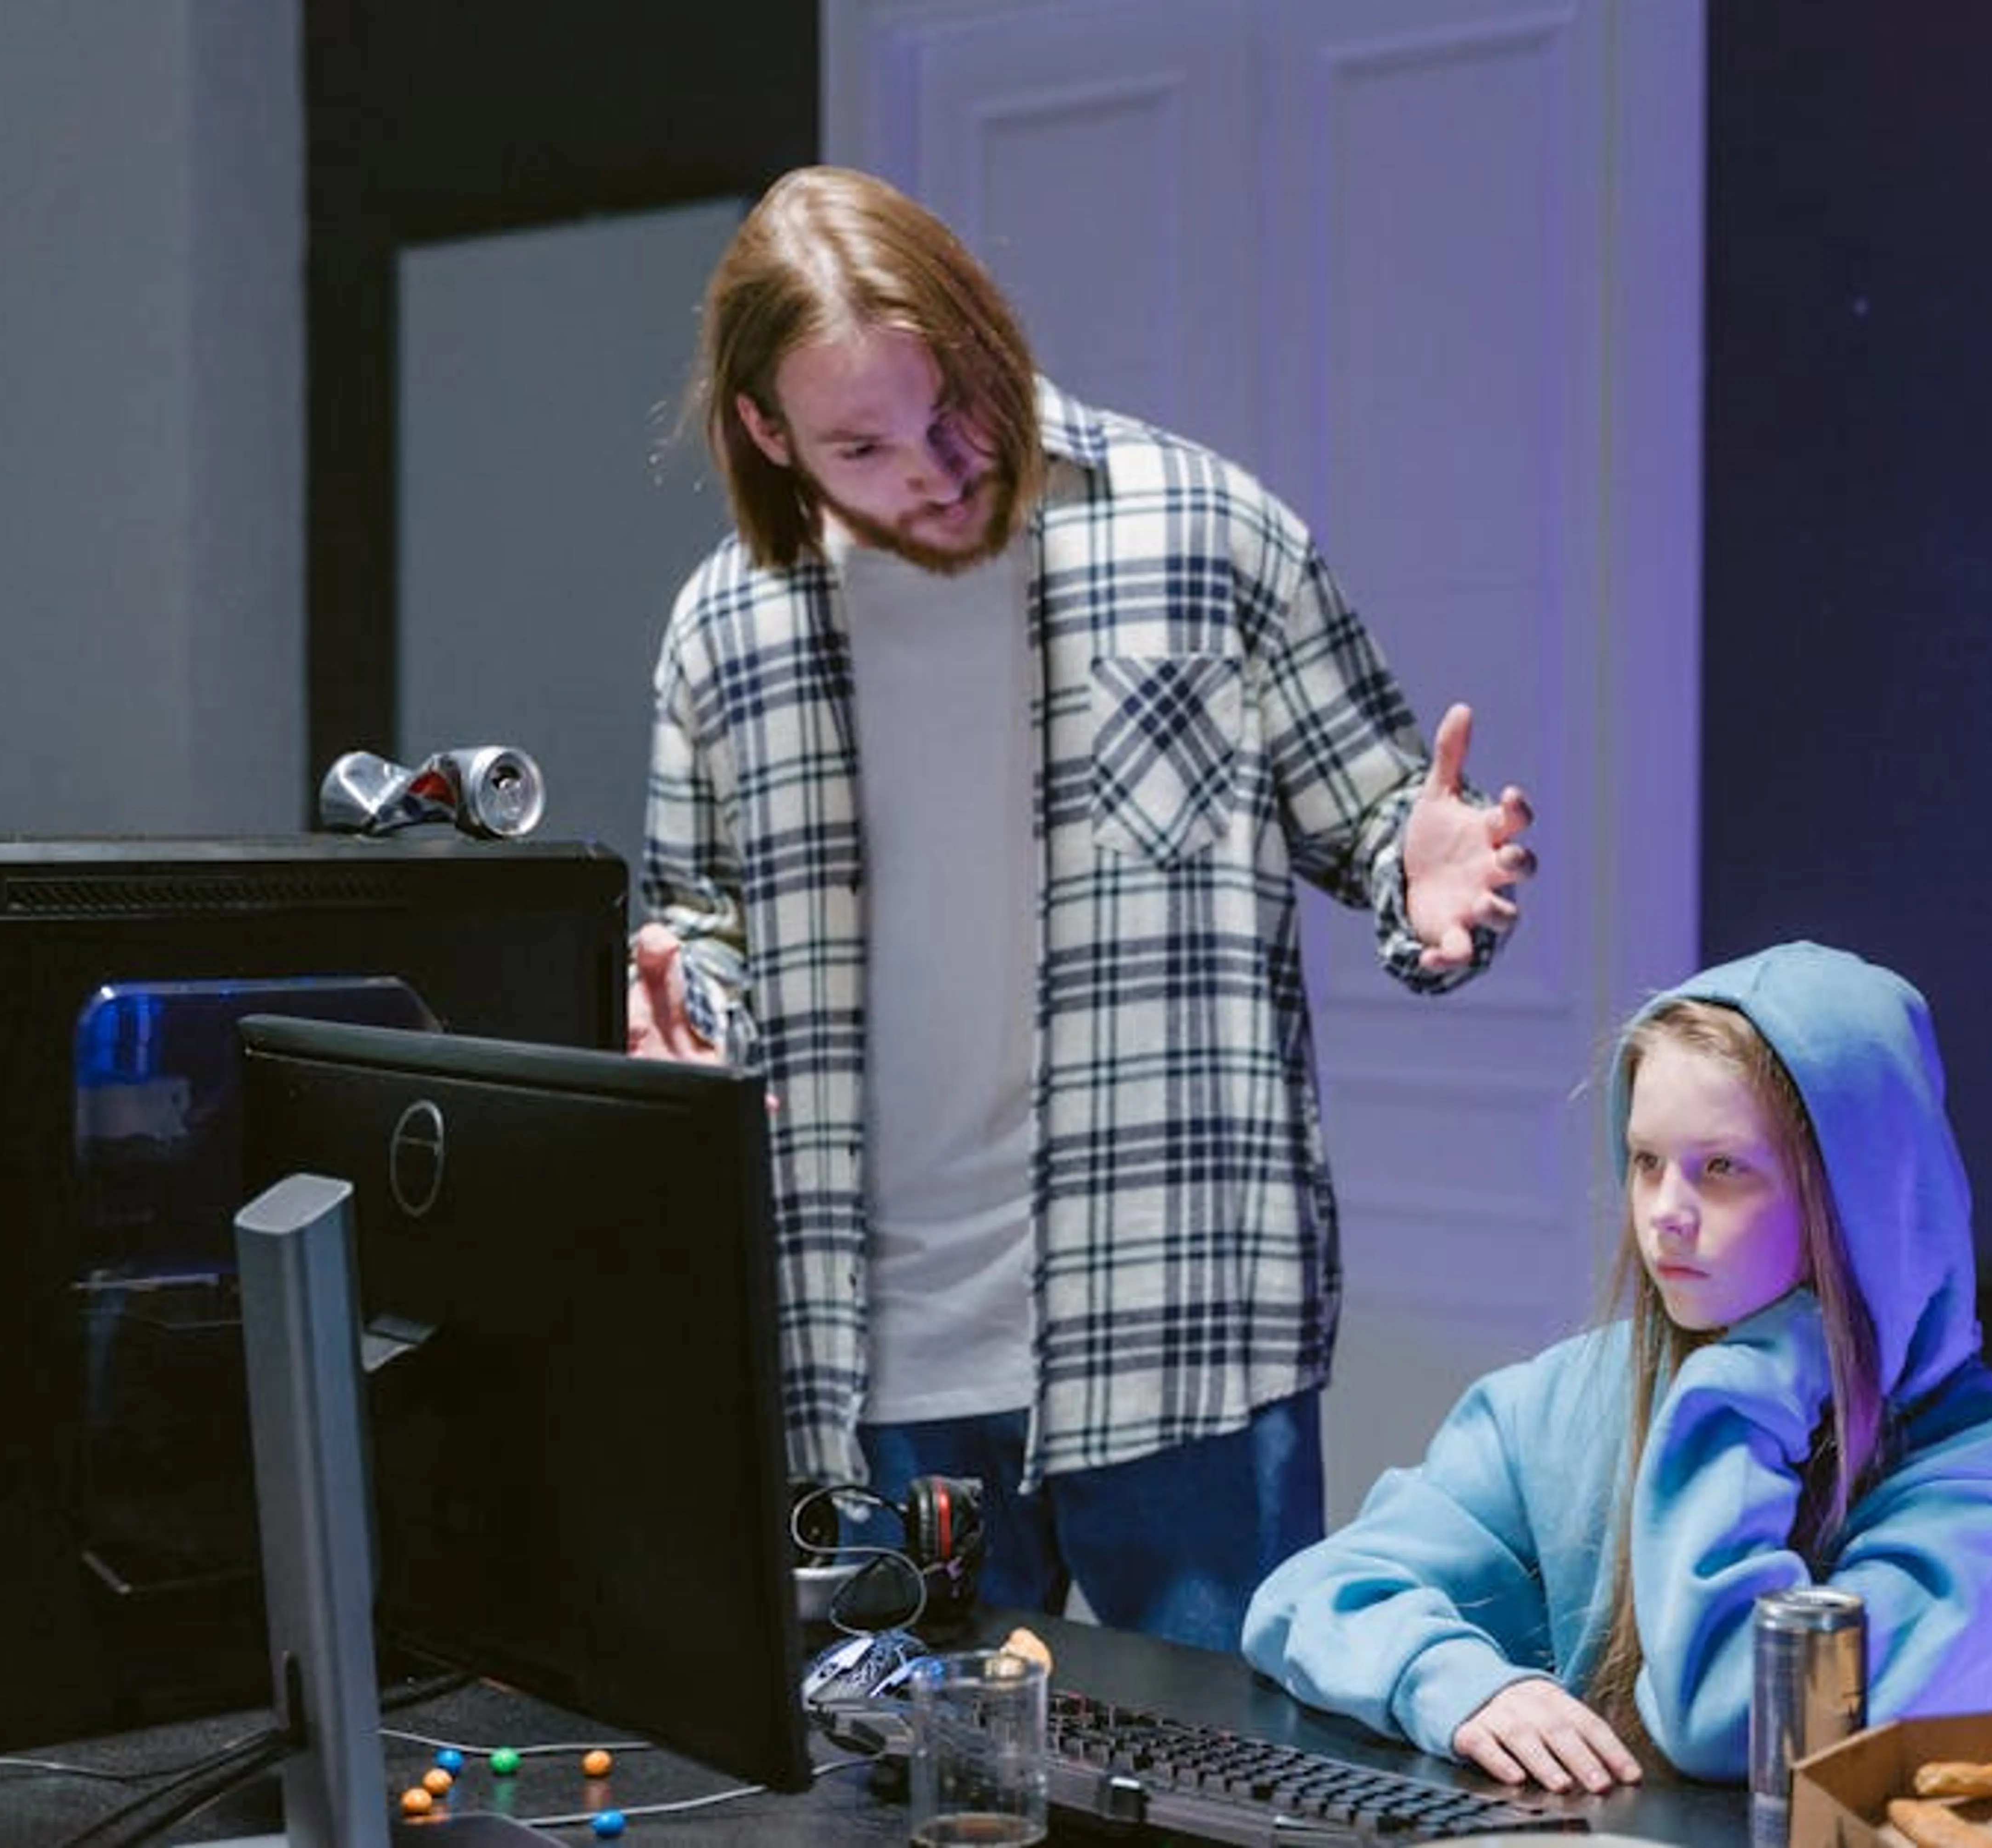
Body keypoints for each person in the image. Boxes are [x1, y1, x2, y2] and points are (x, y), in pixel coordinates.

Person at [626, 165, 1537, 1652]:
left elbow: (1383, 821)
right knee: (900, 1806)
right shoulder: (724, 628)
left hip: (1181, 1332)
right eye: (862, 443)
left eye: (952, 408)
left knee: (1234, 1791)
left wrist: (1429, 872)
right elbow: (703, 933)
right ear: (766, 431)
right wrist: (685, 1039)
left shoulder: (1203, 531)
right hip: (871, 1374)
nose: (934, 467)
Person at [1241, 941, 1992, 1789]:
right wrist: (1458, 1684)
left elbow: (1735, 1725)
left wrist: (1735, 1394)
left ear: (1859, 1198)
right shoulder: (1568, 1398)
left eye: (1721, 1169)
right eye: (1646, 1162)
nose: (1664, 1215)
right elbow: (1314, 1592)